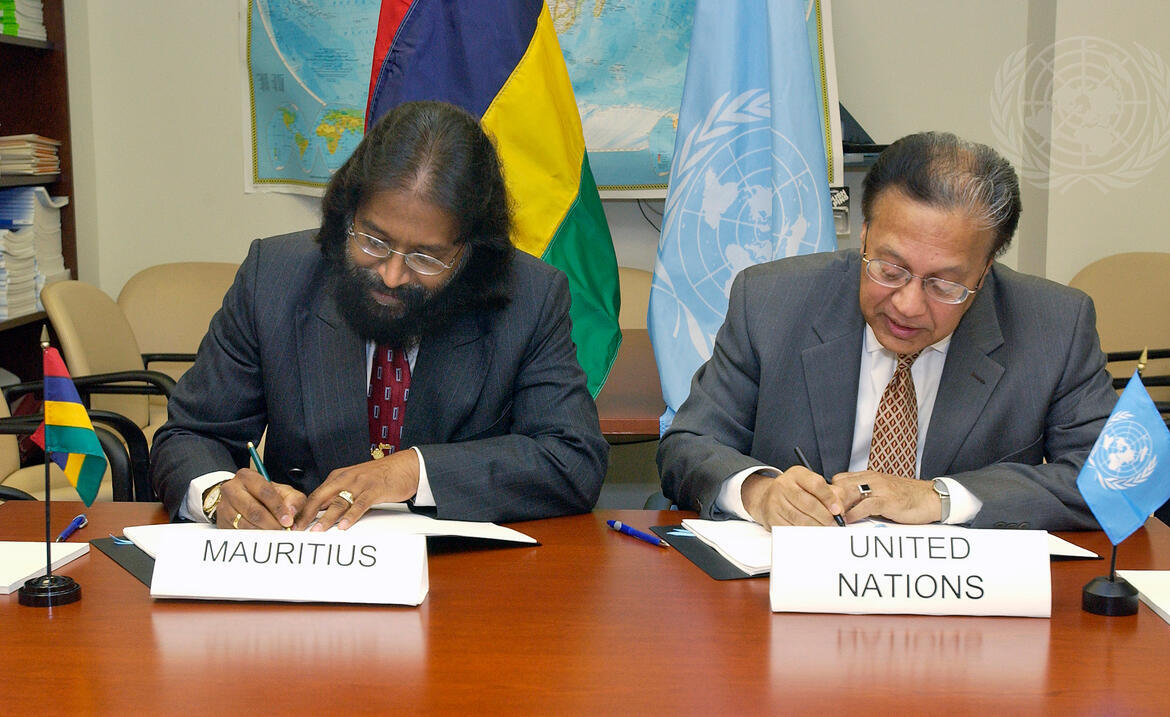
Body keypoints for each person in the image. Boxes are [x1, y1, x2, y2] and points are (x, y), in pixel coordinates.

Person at [151, 100, 608, 530]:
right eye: (373, 241)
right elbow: (191, 434)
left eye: (426, 258)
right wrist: (217, 494)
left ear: (470, 253)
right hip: (310, 562)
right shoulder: (273, 277)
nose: (391, 276)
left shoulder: (529, 298)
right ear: (346, 215)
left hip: (459, 570)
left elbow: (573, 460)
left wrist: (411, 471)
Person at [658, 131, 1116, 530]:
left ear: (985, 269)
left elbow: (1111, 480)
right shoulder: (771, 302)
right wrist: (759, 492)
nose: (907, 305)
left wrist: (937, 498)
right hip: (799, 582)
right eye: (890, 269)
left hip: (963, 591)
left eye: (944, 284)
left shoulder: (1053, 325)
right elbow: (689, 444)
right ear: (864, 236)